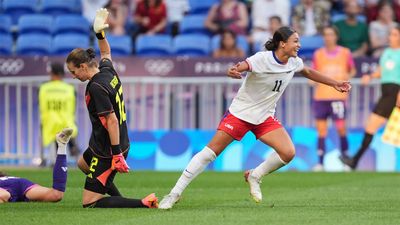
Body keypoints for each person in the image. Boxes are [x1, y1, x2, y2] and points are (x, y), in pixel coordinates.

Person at [159, 26, 351, 209]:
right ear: (282, 44)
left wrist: (334, 83)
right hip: (240, 114)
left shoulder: (294, 61)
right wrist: (233, 70)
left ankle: (255, 175)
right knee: (209, 153)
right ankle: (174, 194)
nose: (299, 45)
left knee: (288, 152)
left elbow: (308, 71)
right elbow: (242, 66)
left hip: (265, 117)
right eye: (295, 41)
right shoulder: (262, 59)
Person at [65, 8, 158, 208]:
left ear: (83, 66)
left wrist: (116, 154)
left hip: (108, 149)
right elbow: (106, 51)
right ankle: (118, 198)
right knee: (83, 164)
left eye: (73, 72)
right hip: (105, 143)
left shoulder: (96, 87)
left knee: (89, 203)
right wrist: (99, 33)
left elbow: (111, 120)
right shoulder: (107, 70)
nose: (73, 76)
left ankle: (143, 203)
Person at [340, 26, 400, 170]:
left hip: (394, 92)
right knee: (371, 127)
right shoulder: (386, 53)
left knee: (371, 127)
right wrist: (371, 76)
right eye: (390, 34)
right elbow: (382, 71)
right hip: (386, 92)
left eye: (394, 34)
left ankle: (354, 160)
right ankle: (354, 161)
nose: (390, 37)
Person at [311, 26, 356, 171]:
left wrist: (347, 78)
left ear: (336, 36)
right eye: (325, 34)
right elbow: (314, 71)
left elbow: (352, 70)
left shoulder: (345, 52)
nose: (328, 37)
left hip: (338, 96)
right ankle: (320, 163)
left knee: (341, 128)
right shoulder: (318, 54)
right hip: (321, 97)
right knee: (321, 130)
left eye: (330, 34)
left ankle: (345, 162)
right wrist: (312, 80)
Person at [0, 128, 72, 203]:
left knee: (5, 196)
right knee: (56, 195)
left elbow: (5, 195)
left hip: (16, 184)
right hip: (17, 183)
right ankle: (62, 145)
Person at [39, 62, 80, 167]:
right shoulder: (69, 88)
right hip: (66, 121)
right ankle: (76, 159)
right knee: (70, 140)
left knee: (51, 140)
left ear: (51, 73)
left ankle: (45, 160)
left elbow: (41, 105)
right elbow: (73, 107)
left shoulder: (44, 88)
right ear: (62, 73)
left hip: (50, 122)